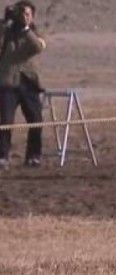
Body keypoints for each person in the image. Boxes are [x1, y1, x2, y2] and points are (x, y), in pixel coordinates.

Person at [0, 1, 46, 169]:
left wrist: (25, 29)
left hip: (29, 83)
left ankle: (34, 155)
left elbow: (37, 47)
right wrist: (5, 24)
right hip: (8, 83)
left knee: (36, 120)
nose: (24, 17)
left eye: (28, 14)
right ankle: (3, 156)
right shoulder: (6, 32)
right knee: (5, 121)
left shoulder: (33, 33)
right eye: (22, 14)